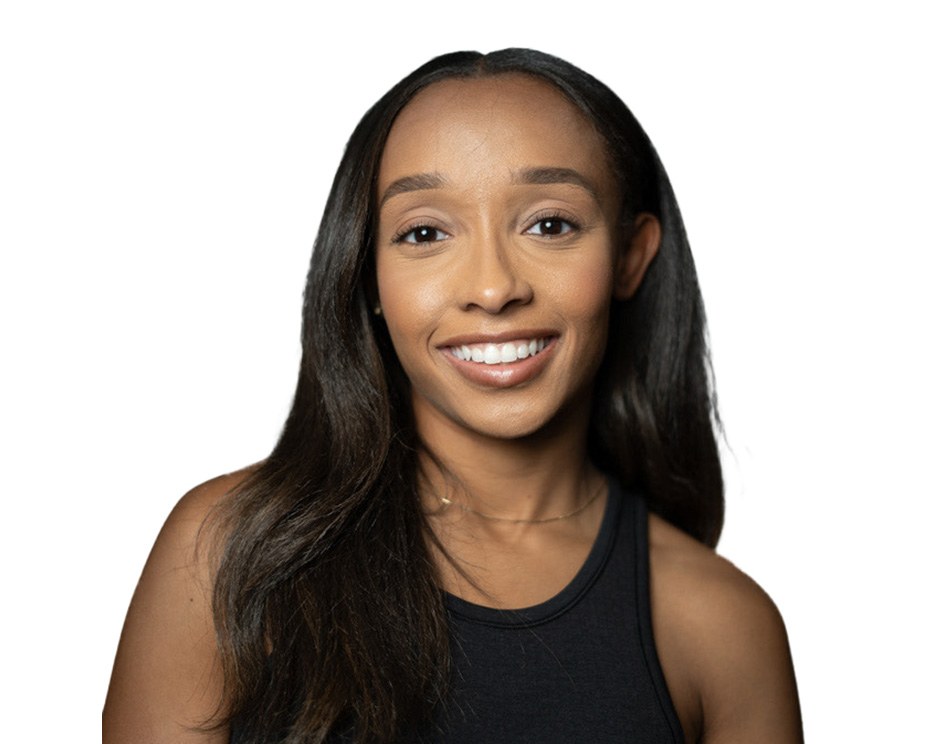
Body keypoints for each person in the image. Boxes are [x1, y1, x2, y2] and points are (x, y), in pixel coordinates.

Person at [104, 49, 802, 743]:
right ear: (368, 274)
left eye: (550, 224)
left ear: (629, 256)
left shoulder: (723, 629)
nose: (494, 288)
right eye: (425, 232)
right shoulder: (230, 553)